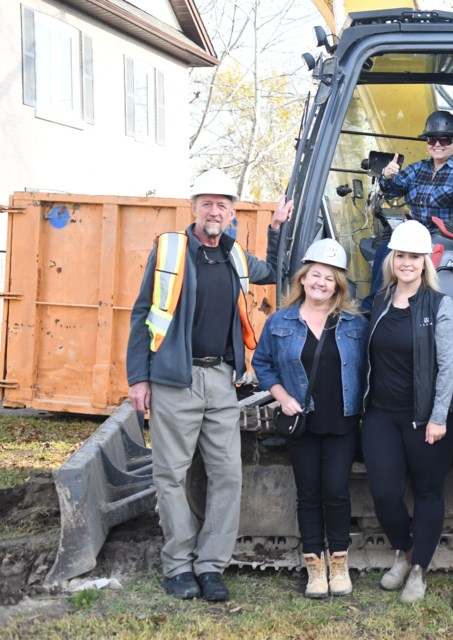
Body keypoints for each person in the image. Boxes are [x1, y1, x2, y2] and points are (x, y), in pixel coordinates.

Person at [126, 168, 290, 601]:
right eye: (207, 203)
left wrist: (275, 229)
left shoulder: (235, 256)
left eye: (222, 205)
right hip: (173, 378)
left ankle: (211, 566)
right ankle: (178, 566)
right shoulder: (170, 251)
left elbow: (272, 270)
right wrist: (138, 377)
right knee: (172, 476)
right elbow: (143, 313)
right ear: (193, 208)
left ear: (232, 213)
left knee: (226, 476)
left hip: (221, 379)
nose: (214, 211)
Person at [251, 238, 368, 599]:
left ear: (338, 285)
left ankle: (338, 562)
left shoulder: (353, 324)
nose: (321, 283)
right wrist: (283, 398)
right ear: (303, 278)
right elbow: (262, 364)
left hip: (341, 422)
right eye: (316, 275)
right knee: (308, 494)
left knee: (335, 491)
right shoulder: (279, 322)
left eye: (329, 278)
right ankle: (314, 568)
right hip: (302, 422)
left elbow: (370, 366)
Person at [362, 220, 453, 604]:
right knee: (385, 493)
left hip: (426, 418)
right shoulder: (382, 300)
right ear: (391, 259)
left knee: (427, 492)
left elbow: (448, 365)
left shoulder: (439, 305)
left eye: (414, 257)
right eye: (400, 255)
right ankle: (403, 552)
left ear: (425, 261)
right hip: (382, 414)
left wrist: (438, 416)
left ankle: (419, 568)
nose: (406, 262)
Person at [378, 110, 453, 237]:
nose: (437, 144)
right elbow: (392, 192)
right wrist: (386, 176)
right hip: (415, 237)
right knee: (382, 252)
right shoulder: (417, 168)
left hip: (449, 242)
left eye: (444, 140)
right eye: (432, 140)